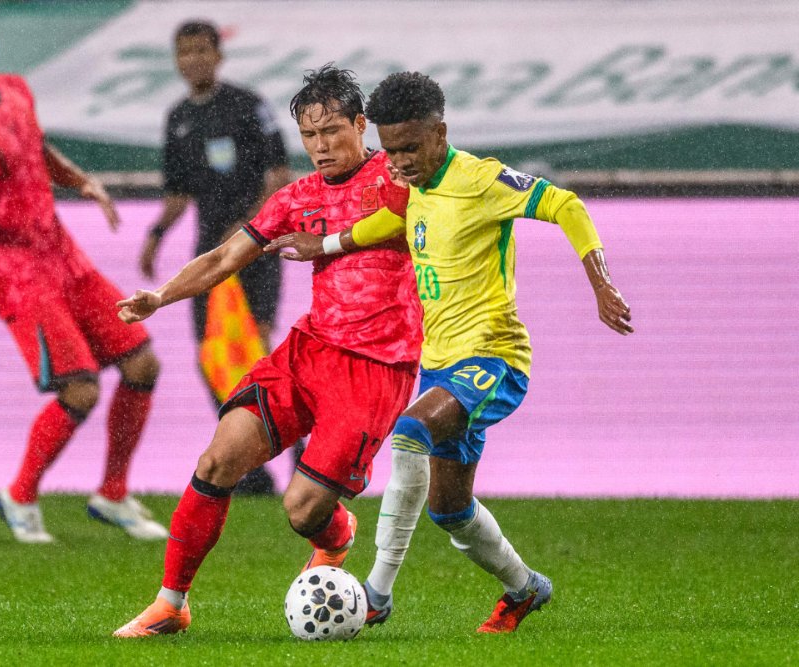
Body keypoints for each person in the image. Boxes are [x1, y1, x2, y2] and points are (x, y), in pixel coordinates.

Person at [265, 71, 634, 633]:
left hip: (493, 359)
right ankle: (525, 588)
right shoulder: (411, 185)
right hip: (440, 365)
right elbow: (390, 220)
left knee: (411, 431)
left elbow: (566, 205)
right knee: (449, 510)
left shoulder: (480, 180)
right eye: (391, 150)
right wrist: (329, 244)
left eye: (412, 148)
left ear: (440, 132)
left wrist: (601, 282)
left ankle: (377, 594)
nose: (401, 161)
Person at [111, 65, 423, 638]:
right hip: (308, 352)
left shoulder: (399, 177)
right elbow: (223, 259)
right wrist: (160, 296)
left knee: (302, 510)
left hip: (377, 367)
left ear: (361, 125)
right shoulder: (294, 198)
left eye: (333, 130)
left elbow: (411, 219)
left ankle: (336, 533)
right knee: (217, 460)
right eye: (310, 135)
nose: (322, 146)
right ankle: (171, 602)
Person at [0, 3, 167, 544]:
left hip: (67, 258)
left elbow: (35, 146)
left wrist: (81, 182)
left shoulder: (15, 90)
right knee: (80, 391)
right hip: (19, 274)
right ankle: (21, 495)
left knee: (143, 364)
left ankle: (114, 493)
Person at [139, 20, 293, 495]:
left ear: (218, 54)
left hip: (256, 247)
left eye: (201, 50)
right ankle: (252, 467)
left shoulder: (247, 107)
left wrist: (248, 229)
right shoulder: (179, 117)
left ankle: (302, 451)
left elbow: (278, 175)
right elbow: (178, 192)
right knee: (212, 356)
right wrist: (156, 236)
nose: (193, 60)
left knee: (257, 350)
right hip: (209, 256)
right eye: (184, 52)